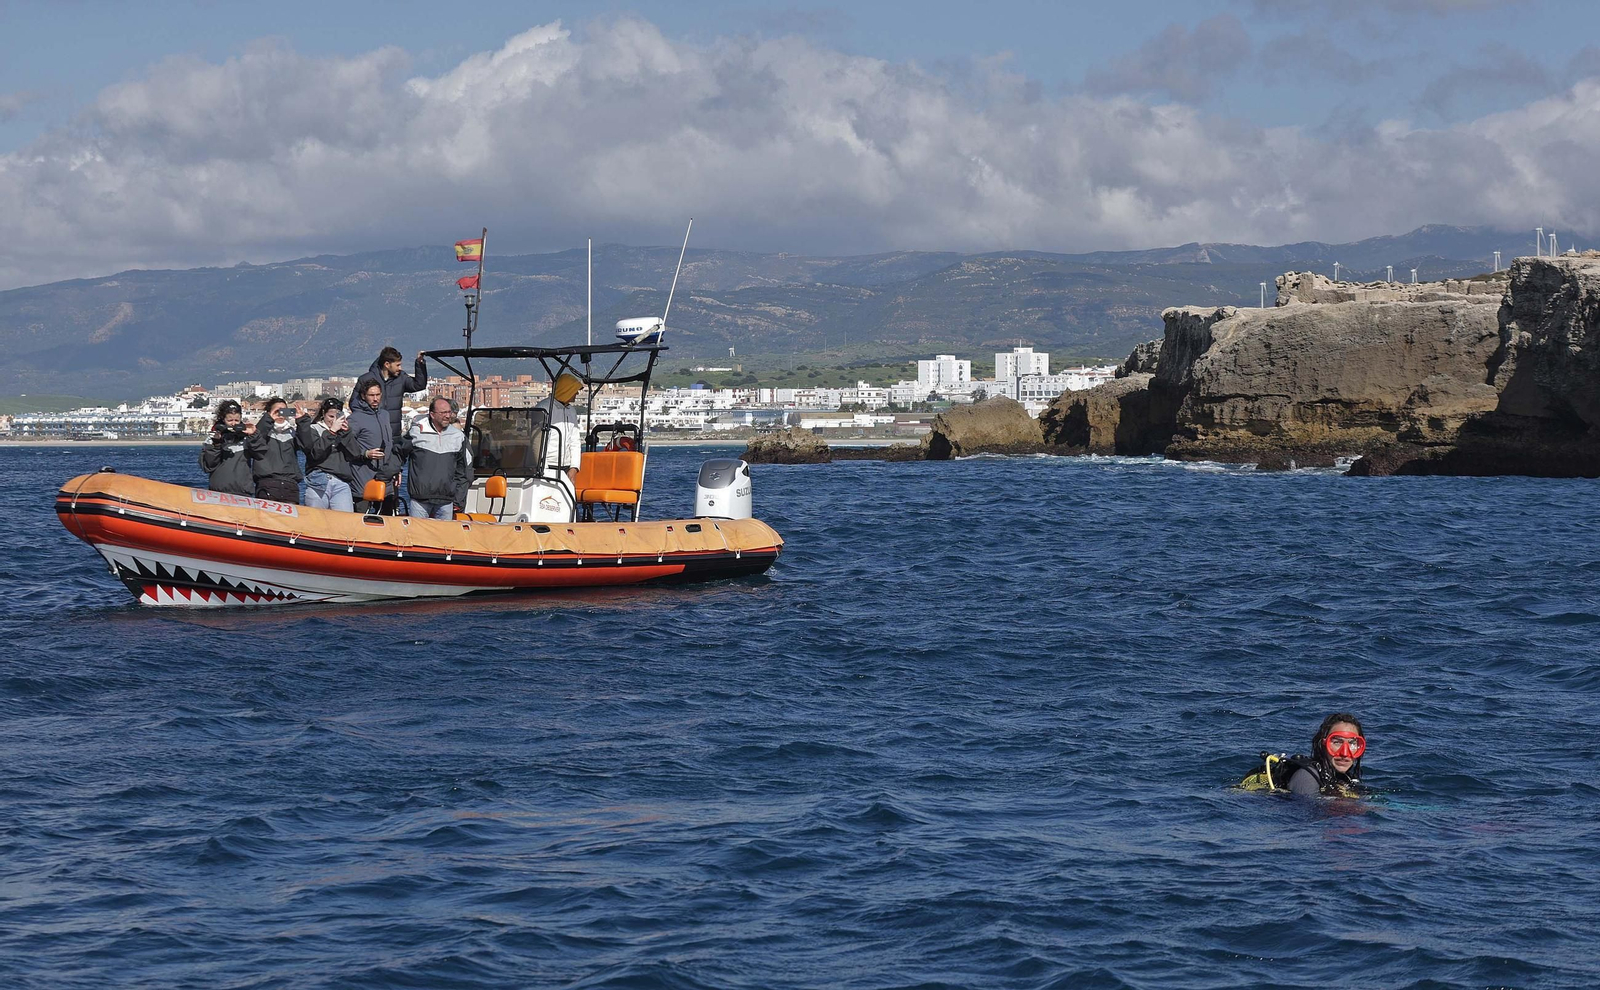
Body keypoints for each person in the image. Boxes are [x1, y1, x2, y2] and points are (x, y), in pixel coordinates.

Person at [1238, 713, 1368, 798]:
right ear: (1323, 744)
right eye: (1337, 742)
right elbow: (1307, 810)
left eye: (1353, 743)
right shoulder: (1307, 775)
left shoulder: (1345, 778)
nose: (1345, 753)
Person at [367, 346, 428, 513]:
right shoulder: (369, 379)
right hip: (372, 436)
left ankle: (389, 511)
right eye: (398, 364)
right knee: (368, 476)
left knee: (391, 478)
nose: (400, 368)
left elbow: (419, 384)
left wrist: (420, 364)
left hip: (393, 437)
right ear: (387, 364)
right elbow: (355, 404)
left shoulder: (401, 379)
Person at [404, 397, 473, 520]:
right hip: (420, 499)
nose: (447, 416)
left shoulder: (458, 436)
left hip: (446, 501)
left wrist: (458, 501)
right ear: (432, 414)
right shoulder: (416, 432)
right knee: (418, 532)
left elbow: (464, 471)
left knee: (444, 533)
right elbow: (398, 453)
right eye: (443, 413)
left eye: (449, 412)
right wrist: (392, 473)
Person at [345, 375, 403, 513]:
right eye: (371, 395)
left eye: (378, 394)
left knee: (387, 518)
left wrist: (396, 469)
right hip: (362, 480)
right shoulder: (355, 418)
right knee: (361, 519)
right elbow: (346, 446)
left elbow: (391, 445)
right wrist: (365, 454)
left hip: (386, 479)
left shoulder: (385, 415)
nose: (375, 398)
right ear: (363, 396)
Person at [297, 396, 356, 511]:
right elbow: (315, 454)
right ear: (323, 414)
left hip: (341, 482)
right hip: (318, 480)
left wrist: (346, 433)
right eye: (330, 416)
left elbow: (355, 454)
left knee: (346, 519)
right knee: (316, 519)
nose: (333, 420)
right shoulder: (314, 429)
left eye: (337, 417)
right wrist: (331, 432)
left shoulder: (343, 432)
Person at [245, 396, 303, 504]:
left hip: (290, 485)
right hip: (267, 484)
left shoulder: (292, 432)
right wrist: (269, 419)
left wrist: (302, 421)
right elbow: (255, 441)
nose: (280, 414)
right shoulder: (262, 431)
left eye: (284, 411)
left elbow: (307, 445)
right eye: (277, 411)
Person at [534, 371, 585, 494]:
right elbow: (536, 442)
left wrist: (574, 467)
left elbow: (575, 441)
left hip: (566, 467)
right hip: (548, 466)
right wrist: (544, 468)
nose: (577, 393)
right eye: (575, 390)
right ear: (566, 390)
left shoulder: (571, 410)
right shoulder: (543, 408)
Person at [199, 399, 255, 495]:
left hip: (242, 491)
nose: (233, 424)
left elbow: (260, 454)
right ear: (223, 419)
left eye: (236, 420)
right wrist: (216, 445)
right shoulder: (212, 438)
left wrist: (254, 435)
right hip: (218, 492)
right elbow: (208, 466)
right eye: (230, 420)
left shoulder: (246, 438)